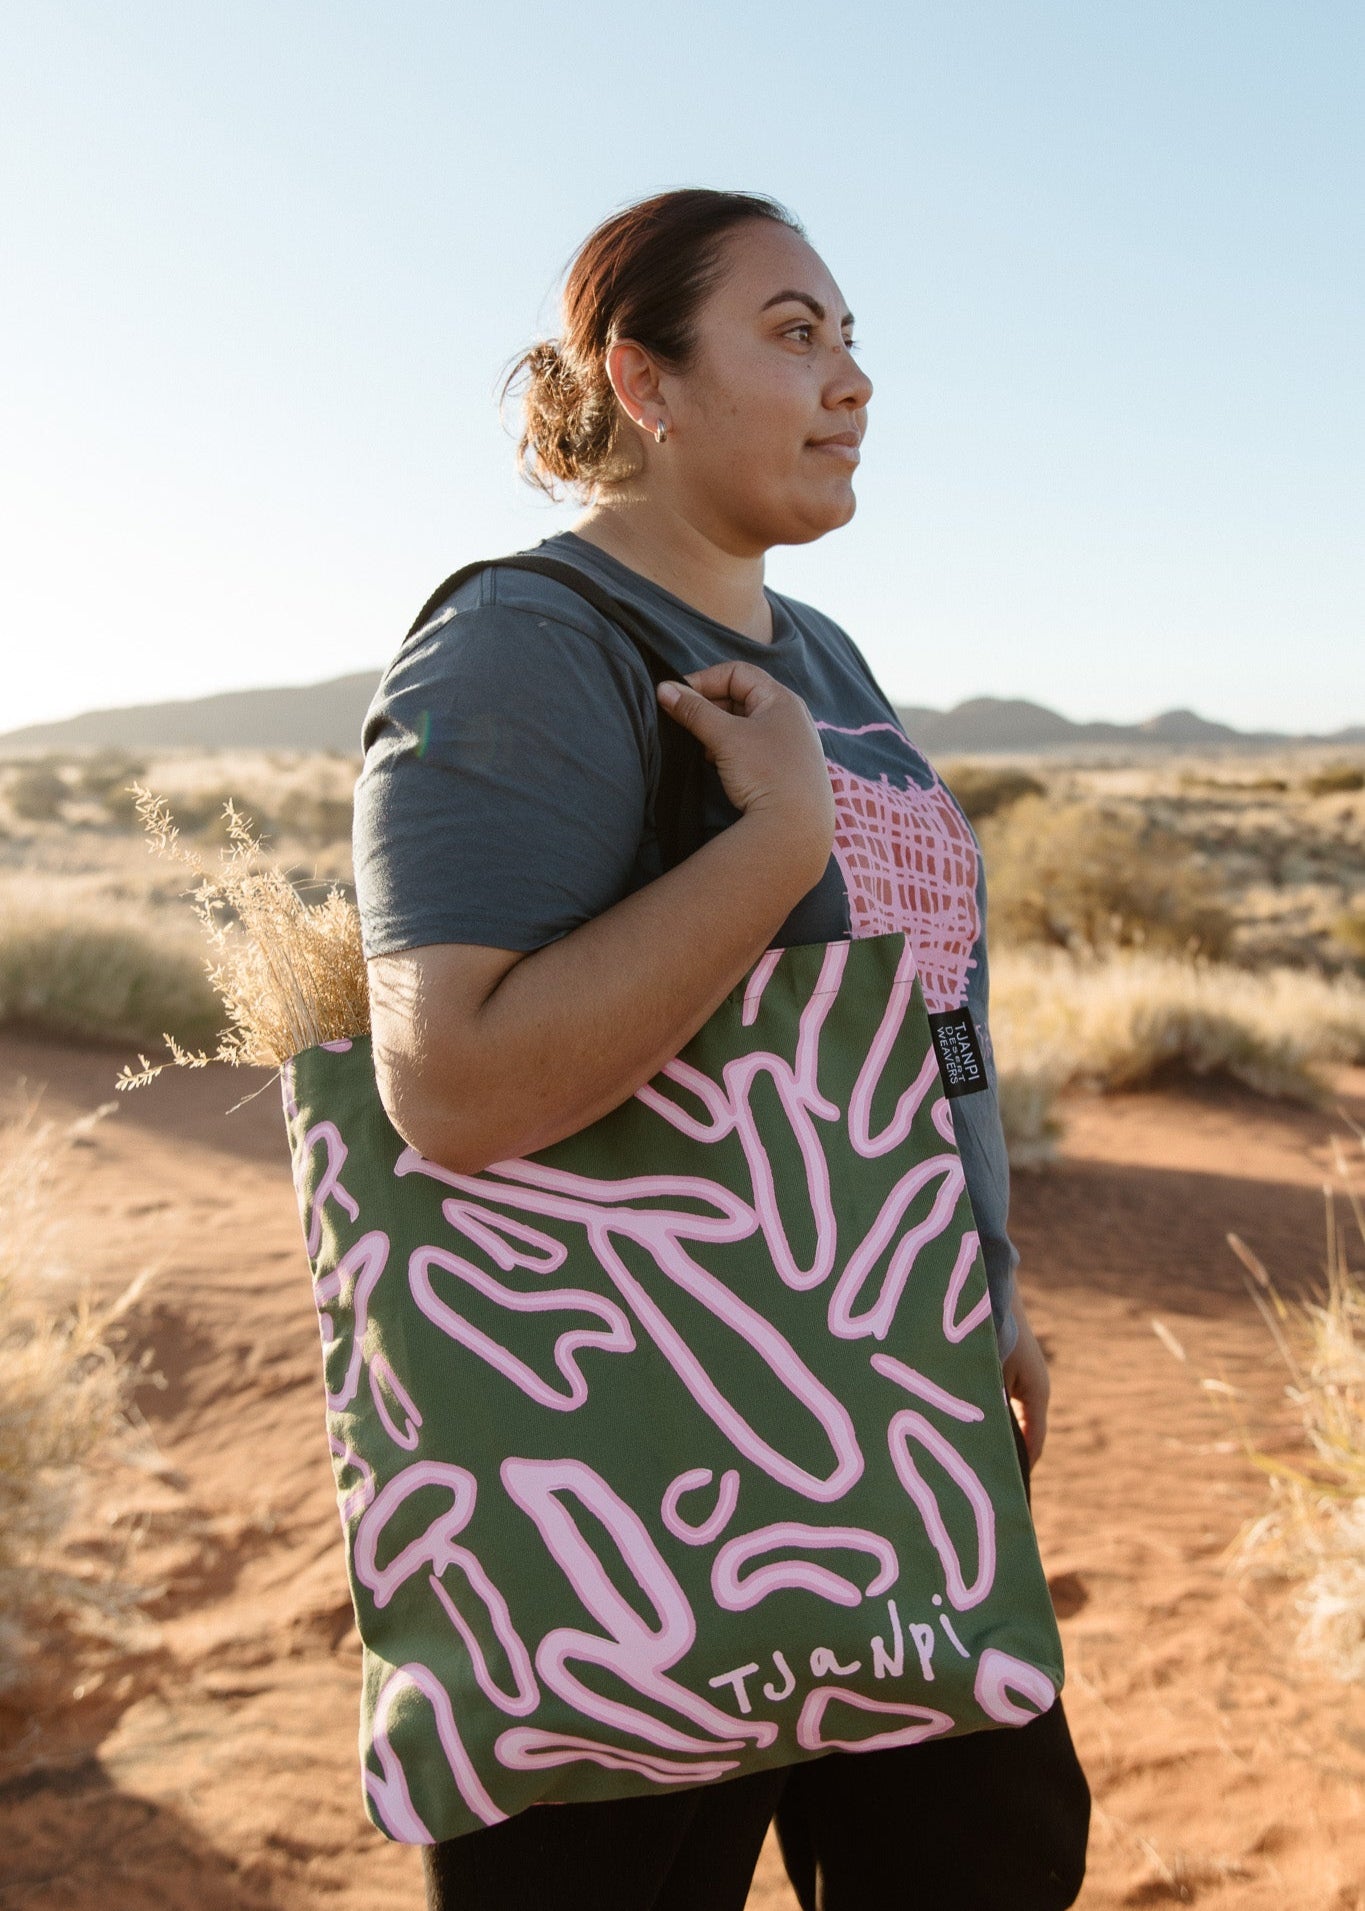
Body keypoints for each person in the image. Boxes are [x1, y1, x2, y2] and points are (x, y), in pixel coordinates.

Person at [354, 187, 1090, 1911]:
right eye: (791, 332)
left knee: (989, 1868)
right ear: (643, 379)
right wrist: (769, 845)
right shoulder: (527, 641)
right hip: (631, 1488)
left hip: (882, 1432)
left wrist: (974, 1279)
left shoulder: (817, 653)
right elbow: (449, 1086)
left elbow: (902, 1009)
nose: (849, 382)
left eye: (849, 340)